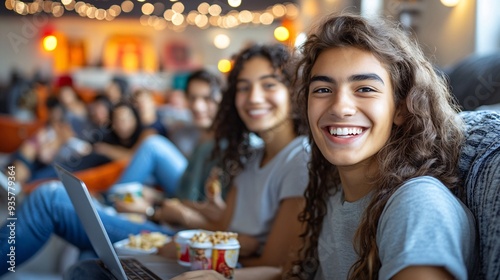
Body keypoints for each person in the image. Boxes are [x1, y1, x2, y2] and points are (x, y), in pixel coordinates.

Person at [172, 13, 478, 280]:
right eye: (323, 89)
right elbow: (290, 273)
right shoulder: (331, 191)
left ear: (400, 108)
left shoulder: (416, 204)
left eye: (365, 89)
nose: (340, 106)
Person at [162, 43, 310, 269]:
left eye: (269, 84)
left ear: (293, 91)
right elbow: (224, 227)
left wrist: (199, 252)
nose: (254, 97)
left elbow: (275, 266)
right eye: (243, 87)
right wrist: (189, 244)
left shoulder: (300, 159)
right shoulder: (251, 157)